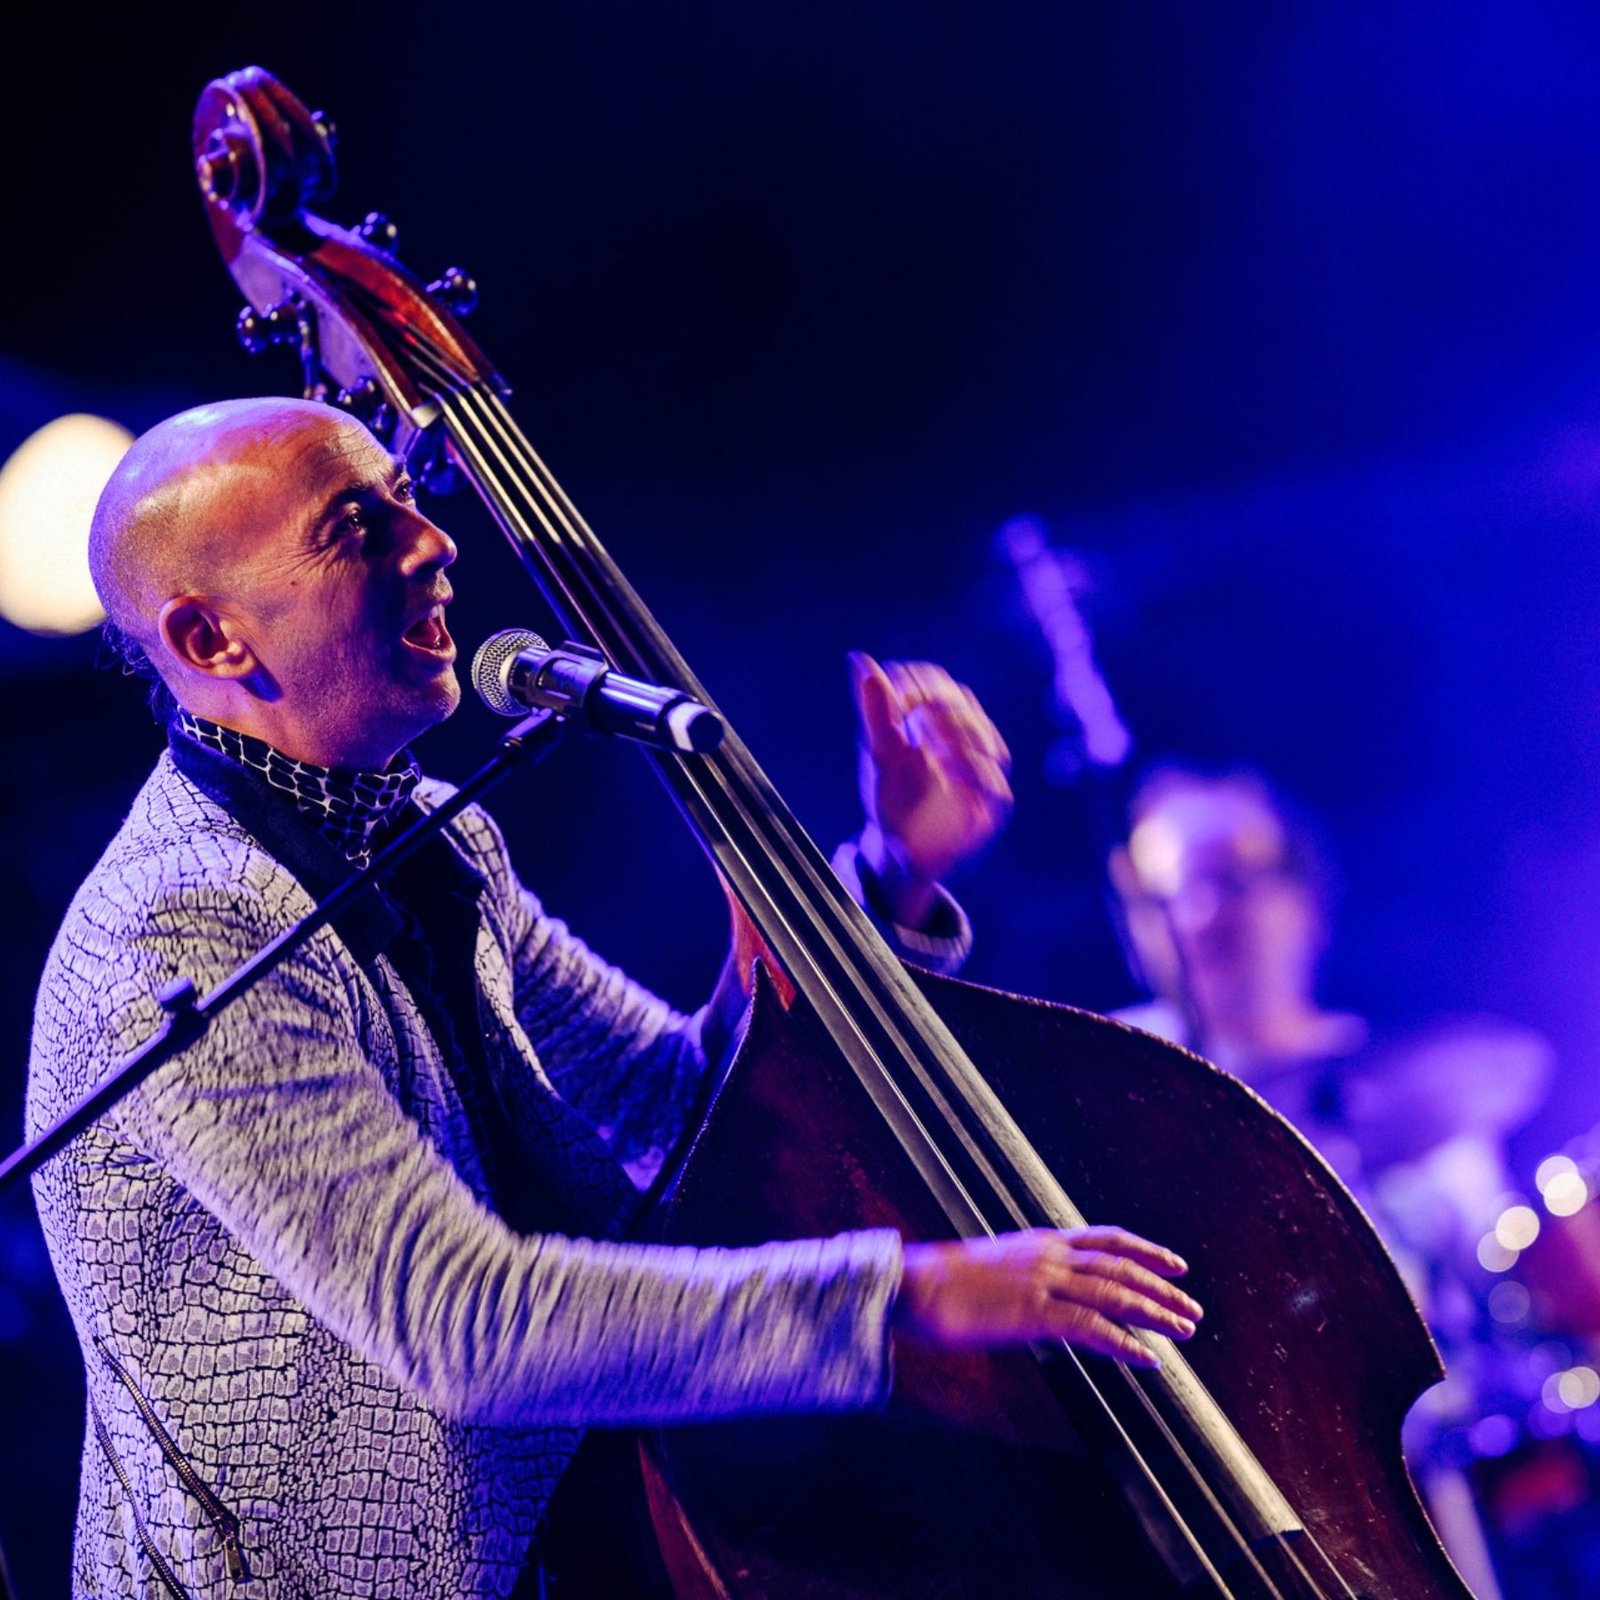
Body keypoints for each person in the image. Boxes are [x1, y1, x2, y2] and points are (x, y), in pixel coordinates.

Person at [25, 396, 1202, 1599]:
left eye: (405, 497)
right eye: (355, 528)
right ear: (212, 639)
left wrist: (890, 878)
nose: (434, 542)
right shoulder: (183, 927)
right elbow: (460, 1323)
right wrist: (914, 1294)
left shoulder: (432, 832)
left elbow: (676, 1102)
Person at [1105, 761, 1561, 1599]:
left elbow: (1503, 1282)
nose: (1200, 915)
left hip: (1430, 1462)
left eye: (1228, 880)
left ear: (1304, 901)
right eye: (1165, 895)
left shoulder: (1407, 1084)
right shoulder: (1117, 1081)